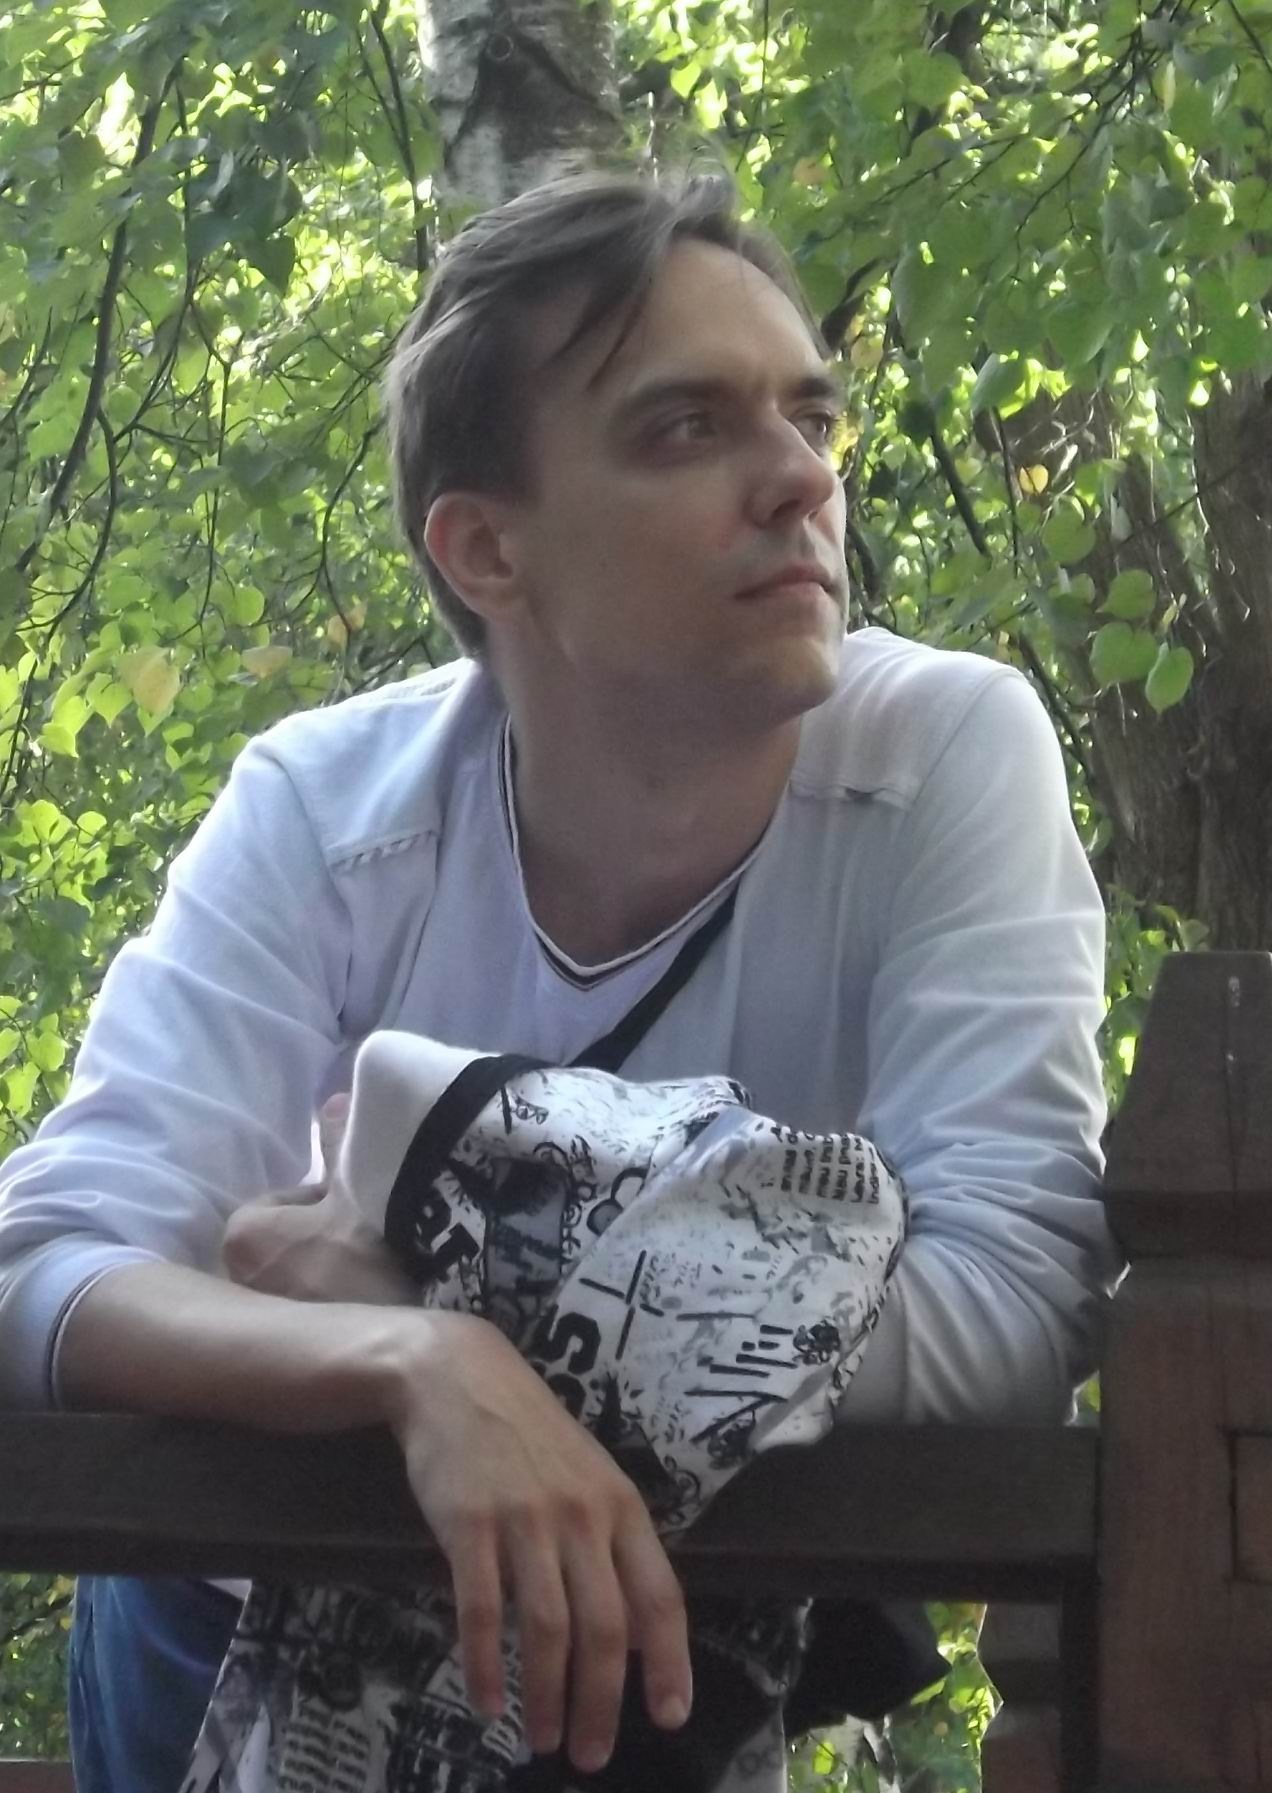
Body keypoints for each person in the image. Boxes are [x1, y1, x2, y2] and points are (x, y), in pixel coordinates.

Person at [0, 168, 1119, 1793]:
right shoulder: (328, 810)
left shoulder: (944, 752)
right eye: (687, 428)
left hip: (652, 1655)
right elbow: (43, 1261)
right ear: (486, 547)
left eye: (811, 417)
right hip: (234, 1632)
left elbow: (1014, 1311)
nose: (802, 478)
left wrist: (440, 1293)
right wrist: (419, 1365)